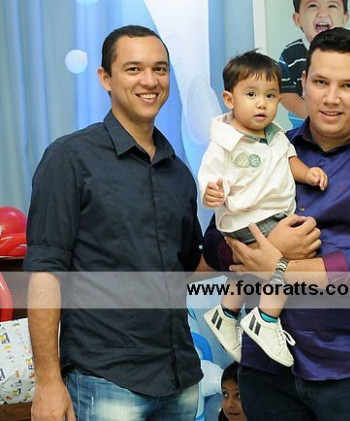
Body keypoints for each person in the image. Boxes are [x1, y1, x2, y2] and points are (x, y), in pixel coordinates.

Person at [204, 27, 350, 421]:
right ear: (303, 83)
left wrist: (280, 266)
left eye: (348, 85)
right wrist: (268, 244)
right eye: (321, 82)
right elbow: (215, 245)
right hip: (265, 372)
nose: (331, 97)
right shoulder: (266, 147)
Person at [24, 25, 210, 420]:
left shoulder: (178, 172)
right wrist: (48, 382)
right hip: (105, 379)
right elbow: (45, 273)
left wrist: (250, 239)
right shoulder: (70, 159)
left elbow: (187, 271)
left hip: (179, 379)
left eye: (160, 69)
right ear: (105, 78)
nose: (150, 81)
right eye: (133, 69)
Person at [199, 50, 328, 368]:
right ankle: (265, 319)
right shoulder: (226, 140)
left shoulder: (276, 135)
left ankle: (226, 312)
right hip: (246, 218)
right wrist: (212, 192)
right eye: (252, 95)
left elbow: (290, 161)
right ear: (229, 99)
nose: (262, 104)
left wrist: (308, 173)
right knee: (289, 258)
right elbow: (210, 175)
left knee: (252, 266)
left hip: (268, 215)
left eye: (270, 96)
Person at [279, 0, 350, 123]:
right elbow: (285, 93)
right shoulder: (291, 54)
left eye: (332, 6)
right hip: (303, 127)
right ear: (297, 19)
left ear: (345, 18)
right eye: (313, 6)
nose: (323, 13)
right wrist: (313, 115)